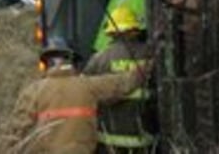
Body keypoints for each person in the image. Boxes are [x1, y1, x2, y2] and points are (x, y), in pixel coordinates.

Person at [8, 37, 142, 154]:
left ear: (47, 63)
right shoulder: (89, 85)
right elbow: (125, 83)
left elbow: (15, 133)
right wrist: (147, 66)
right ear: (73, 62)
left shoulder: (33, 91)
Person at [83, 8, 155, 153]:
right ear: (134, 29)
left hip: (109, 142)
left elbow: (84, 93)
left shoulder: (99, 59)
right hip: (144, 141)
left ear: (111, 32)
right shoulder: (151, 54)